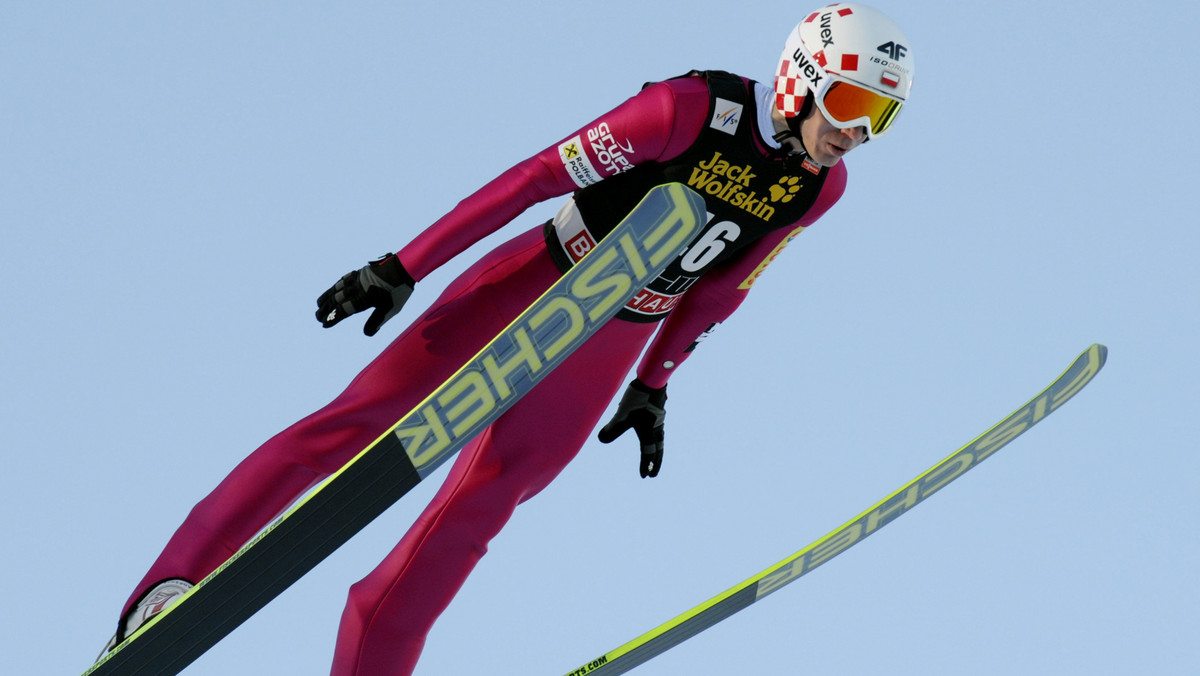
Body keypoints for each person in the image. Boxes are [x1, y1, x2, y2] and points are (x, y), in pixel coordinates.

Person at [98, 3, 915, 674]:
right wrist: (405, 264)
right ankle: (166, 593)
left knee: (472, 519)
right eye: (850, 105)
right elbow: (534, 178)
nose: (857, 133)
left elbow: (724, 289)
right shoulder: (689, 109)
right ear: (799, 82)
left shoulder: (818, 190)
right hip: (536, 278)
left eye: (880, 117)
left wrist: (656, 381)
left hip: (614, 338)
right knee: (352, 427)